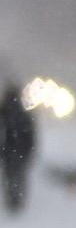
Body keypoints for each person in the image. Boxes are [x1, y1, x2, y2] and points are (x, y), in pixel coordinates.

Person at [0, 79, 35, 215]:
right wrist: (29, 149)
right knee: (18, 175)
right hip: (20, 150)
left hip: (7, 150)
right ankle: (16, 199)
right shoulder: (23, 113)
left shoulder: (4, 113)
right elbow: (30, 134)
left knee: (9, 175)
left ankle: (12, 199)